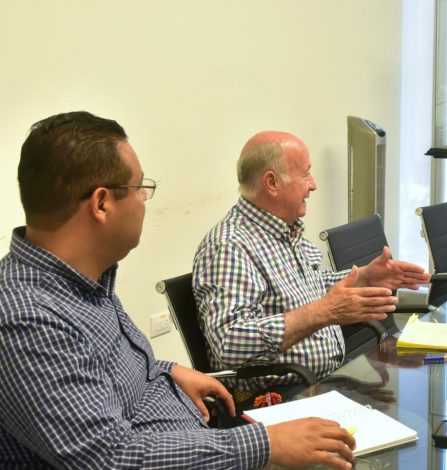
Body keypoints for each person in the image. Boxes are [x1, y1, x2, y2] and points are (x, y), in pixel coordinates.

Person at [0, 112, 356, 469]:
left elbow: (106, 375)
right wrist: (264, 444)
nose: (144, 198)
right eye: (139, 187)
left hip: (198, 438)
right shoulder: (27, 320)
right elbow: (110, 458)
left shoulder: (86, 280)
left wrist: (165, 369)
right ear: (102, 204)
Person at [192, 131, 430, 396]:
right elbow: (229, 342)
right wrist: (323, 312)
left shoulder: (285, 231)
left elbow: (311, 286)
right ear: (272, 182)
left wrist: (364, 278)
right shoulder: (229, 246)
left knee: (411, 394)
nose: (313, 184)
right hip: (282, 396)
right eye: (305, 175)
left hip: (327, 381)